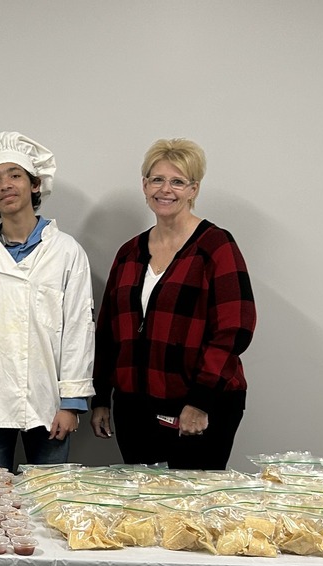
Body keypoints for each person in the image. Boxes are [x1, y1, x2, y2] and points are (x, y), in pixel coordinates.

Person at [90, 138, 256, 469]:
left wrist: (200, 401)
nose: (166, 190)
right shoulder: (129, 253)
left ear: (193, 190)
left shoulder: (215, 246)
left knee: (191, 509)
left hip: (196, 404)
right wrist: (101, 397)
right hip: (134, 406)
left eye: (178, 181)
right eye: (157, 179)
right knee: (146, 508)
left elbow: (234, 328)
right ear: (144, 185)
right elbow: (108, 331)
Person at [0, 132, 95, 471]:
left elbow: (78, 331)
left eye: (15, 175)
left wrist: (71, 401)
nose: (5, 185)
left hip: (49, 400)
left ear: (35, 184)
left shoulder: (67, 253)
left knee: (50, 497)